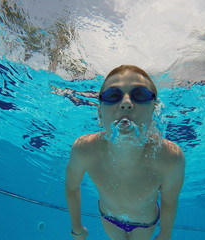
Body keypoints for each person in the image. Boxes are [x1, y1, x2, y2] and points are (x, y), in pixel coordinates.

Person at [65, 65, 185, 240]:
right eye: (113, 95)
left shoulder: (170, 157)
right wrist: (77, 230)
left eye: (140, 95)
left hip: (145, 224)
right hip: (109, 219)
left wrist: (165, 235)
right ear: (99, 112)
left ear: (154, 109)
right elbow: (71, 187)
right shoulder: (84, 149)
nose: (126, 103)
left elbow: (169, 200)